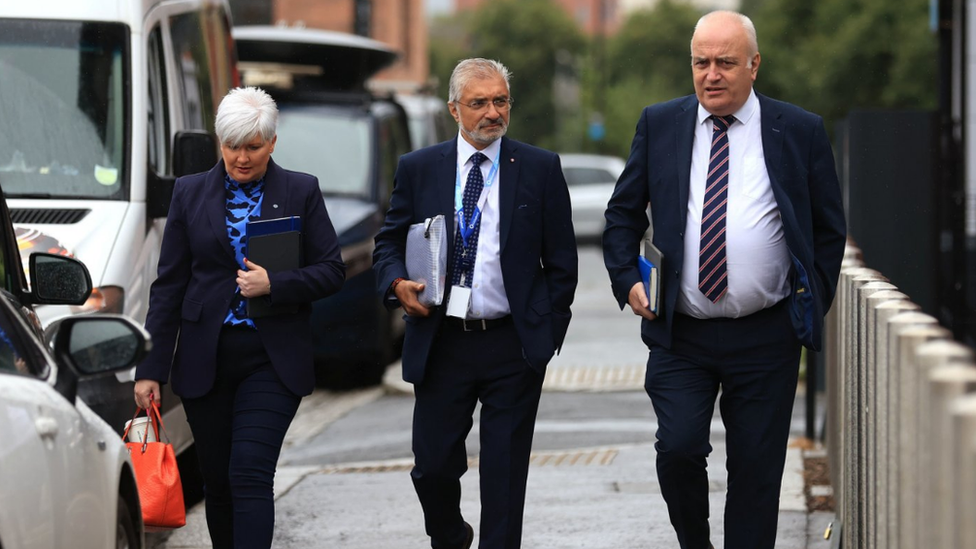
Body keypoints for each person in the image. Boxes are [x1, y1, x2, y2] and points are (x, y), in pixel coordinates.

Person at [603, 11, 846, 549]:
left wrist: (812, 301)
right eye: (701, 62)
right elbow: (621, 217)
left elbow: (829, 230)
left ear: (754, 66)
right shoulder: (660, 123)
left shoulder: (798, 130)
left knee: (757, 476)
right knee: (679, 449)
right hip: (680, 334)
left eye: (726, 63)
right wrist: (628, 280)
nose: (711, 74)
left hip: (766, 335)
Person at [373, 58, 578, 549]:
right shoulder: (419, 168)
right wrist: (397, 284)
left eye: (500, 101)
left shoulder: (539, 168)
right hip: (443, 341)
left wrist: (546, 336)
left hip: (512, 344)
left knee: (505, 480)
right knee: (432, 468)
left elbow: (563, 263)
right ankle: (451, 534)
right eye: (479, 102)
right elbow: (387, 243)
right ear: (453, 109)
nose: (492, 112)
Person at [133, 86, 345, 548]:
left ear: (272, 142)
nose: (241, 158)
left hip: (271, 358)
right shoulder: (189, 193)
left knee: (249, 472)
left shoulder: (300, 190)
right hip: (204, 360)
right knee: (219, 485)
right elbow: (168, 286)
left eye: (252, 146)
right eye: (232, 146)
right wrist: (149, 369)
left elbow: (332, 270)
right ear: (218, 142)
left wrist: (276, 284)